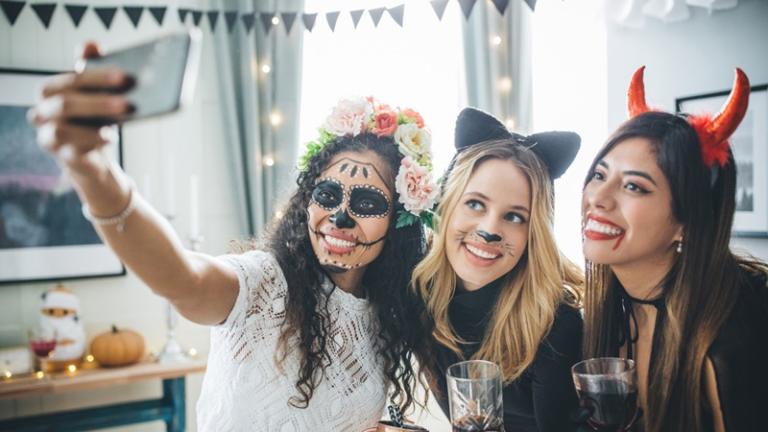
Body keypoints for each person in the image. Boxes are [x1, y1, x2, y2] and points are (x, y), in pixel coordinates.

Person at [29, 43, 439, 431]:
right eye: (327, 195)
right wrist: (92, 169)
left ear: (400, 221)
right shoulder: (264, 285)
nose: (339, 218)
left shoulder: (391, 312)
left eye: (367, 204)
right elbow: (182, 279)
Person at [581, 66, 768, 432]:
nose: (597, 198)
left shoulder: (735, 336)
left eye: (634, 187)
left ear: (686, 221)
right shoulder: (608, 313)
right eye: (600, 175)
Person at [412, 108, 584, 432]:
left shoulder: (555, 326)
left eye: (514, 216)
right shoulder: (420, 297)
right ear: (446, 206)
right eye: (475, 204)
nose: (490, 230)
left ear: (533, 234)